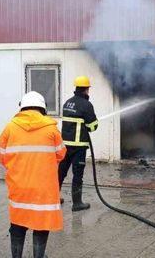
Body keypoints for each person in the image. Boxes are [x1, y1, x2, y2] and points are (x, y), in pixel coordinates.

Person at [0, 91, 66, 258]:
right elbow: (61, 154)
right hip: (43, 189)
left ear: (22, 108)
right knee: (41, 225)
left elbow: (2, 156)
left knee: (18, 224)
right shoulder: (51, 129)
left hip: (19, 186)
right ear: (42, 109)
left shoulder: (10, 128)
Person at [58, 76, 98, 212]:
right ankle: (77, 203)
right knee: (77, 174)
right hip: (78, 147)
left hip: (64, 146)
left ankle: (52, 199)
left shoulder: (67, 103)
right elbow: (93, 126)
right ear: (86, 89)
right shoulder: (86, 105)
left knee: (60, 172)